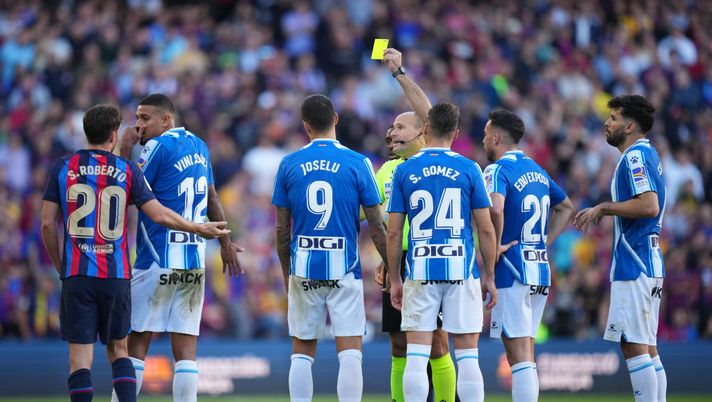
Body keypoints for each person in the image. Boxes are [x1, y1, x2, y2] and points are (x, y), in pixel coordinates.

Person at [40, 104, 229, 402]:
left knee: (81, 359)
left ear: (84, 130)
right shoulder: (126, 170)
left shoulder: (63, 167)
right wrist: (199, 228)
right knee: (121, 351)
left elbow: (48, 224)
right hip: (118, 274)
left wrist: (61, 265)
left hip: (80, 273)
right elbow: (160, 214)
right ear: (114, 135)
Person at [112, 94, 244, 402]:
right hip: (193, 260)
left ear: (166, 120)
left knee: (137, 344)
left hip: (157, 257)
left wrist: (125, 150)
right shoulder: (200, 146)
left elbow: (126, 193)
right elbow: (212, 197)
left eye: (145, 118)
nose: (139, 124)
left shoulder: (156, 147)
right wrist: (225, 242)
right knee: (186, 351)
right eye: (137, 117)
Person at [272, 94, 388, 402]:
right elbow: (376, 224)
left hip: (304, 267)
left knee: (302, 351)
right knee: (350, 351)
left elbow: (282, 229)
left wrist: (286, 272)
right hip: (345, 268)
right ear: (335, 118)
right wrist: (391, 265)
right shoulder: (359, 162)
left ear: (305, 126)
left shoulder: (289, 164)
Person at [386, 100, 497, 402]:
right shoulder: (470, 168)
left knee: (417, 355)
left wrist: (395, 278)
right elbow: (486, 228)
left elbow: (394, 231)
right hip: (461, 269)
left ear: (424, 129)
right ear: (456, 132)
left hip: (420, 269)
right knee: (468, 356)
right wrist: (489, 275)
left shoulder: (405, 170)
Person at [375, 47, 457, 402]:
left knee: (438, 341)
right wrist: (386, 258)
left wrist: (398, 72)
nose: (392, 132)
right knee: (398, 341)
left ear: (423, 131)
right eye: (391, 126)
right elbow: (373, 217)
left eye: (400, 126)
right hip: (397, 259)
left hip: (429, 257)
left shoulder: (433, 158)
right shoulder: (386, 170)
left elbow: (429, 110)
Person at [575, 95, 667, 402]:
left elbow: (649, 205)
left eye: (613, 117)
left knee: (633, 344)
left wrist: (604, 207)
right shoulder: (648, 154)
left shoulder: (635, 158)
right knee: (647, 346)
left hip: (636, 261)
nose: (607, 122)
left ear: (629, 126)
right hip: (648, 261)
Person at [482, 109, 575, 402]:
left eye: (486, 135)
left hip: (512, 268)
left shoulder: (496, 170)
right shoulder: (537, 170)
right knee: (526, 351)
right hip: (538, 268)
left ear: (496, 137)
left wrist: (495, 244)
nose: (484, 140)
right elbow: (567, 207)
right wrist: (543, 241)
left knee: (518, 354)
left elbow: (496, 209)